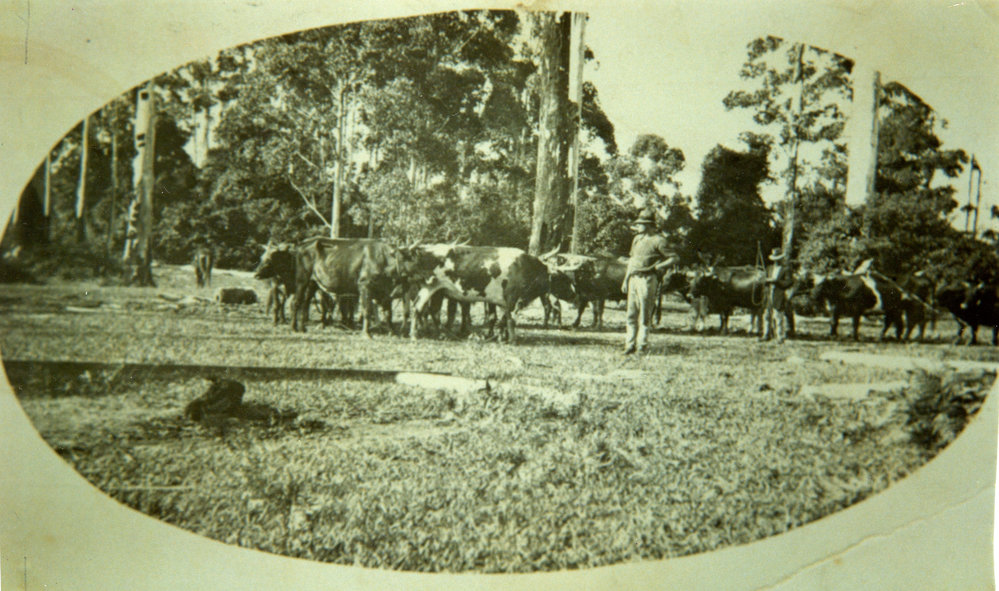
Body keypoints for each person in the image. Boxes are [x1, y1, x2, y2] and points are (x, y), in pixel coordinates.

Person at [621, 209, 677, 354]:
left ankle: (642, 345)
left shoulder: (659, 240)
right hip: (634, 278)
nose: (638, 226)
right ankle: (629, 345)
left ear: (649, 225)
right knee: (631, 314)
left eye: (642, 224)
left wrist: (659, 266)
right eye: (638, 223)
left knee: (645, 315)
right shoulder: (637, 239)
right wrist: (626, 280)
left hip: (648, 279)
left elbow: (674, 258)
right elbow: (632, 261)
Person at [761, 248, 794, 343]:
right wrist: (765, 281)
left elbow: (789, 282)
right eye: (774, 259)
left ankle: (780, 336)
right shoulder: (769, 269)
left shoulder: (785, 270)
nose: (776, 261)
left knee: (778, 316)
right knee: (766, 315)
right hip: (768, 294)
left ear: (781, 259)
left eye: (778, 259)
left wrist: (776, 281)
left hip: (778, 294)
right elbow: (764, 281)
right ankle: (766, 334)